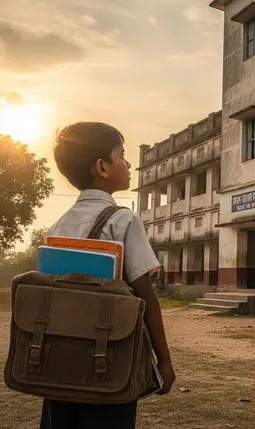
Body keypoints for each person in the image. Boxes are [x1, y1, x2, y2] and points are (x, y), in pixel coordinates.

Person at [40, 122, 176, 429]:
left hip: (58, 365)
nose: (128, 164)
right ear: (102, 167)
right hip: (108, 362)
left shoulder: (58, 226)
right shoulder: (123, 220)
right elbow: (146, 297)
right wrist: (163, 360)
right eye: (122, 156)